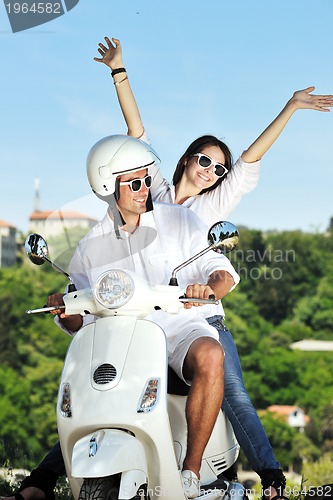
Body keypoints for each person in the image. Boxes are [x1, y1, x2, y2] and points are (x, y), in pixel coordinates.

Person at [92, 36, 333, 499]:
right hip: (146, 314)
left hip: (199, 316)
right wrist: (118, 71)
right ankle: (46, 480)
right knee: (105, 384)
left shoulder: (215, 202)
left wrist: (291, 106)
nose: (210, 170)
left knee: (235, 392)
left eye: (217, 168)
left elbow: (250, 159)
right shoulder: (153, 192)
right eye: (204, 160)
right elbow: (136, 133)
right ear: (186, 159)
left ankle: (273, 481)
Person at [2, 135, 239, 500]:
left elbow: (218, 269)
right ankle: (45, 480)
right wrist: (66, 312)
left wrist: (210, 288)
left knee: (211, 354)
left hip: (179, 328)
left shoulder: (180, 220)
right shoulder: (91, 246)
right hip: (126, 338)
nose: (145, 189)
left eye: (146, 179)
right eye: (134, 183)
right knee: (87, 387)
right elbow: (81, 314)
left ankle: (190, 472)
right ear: (107, 186)